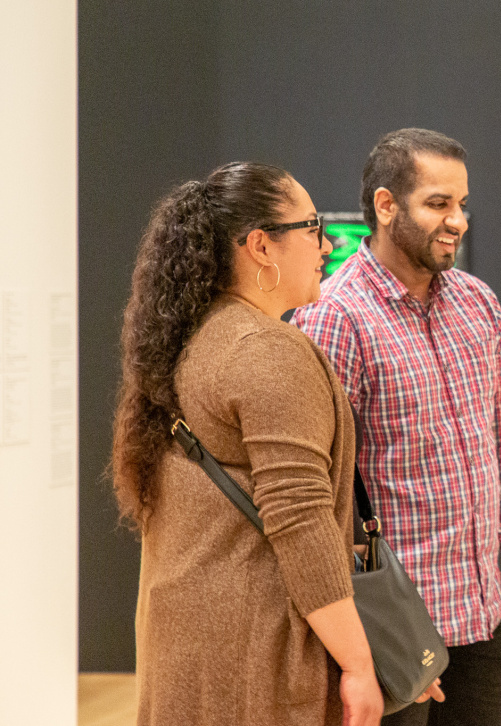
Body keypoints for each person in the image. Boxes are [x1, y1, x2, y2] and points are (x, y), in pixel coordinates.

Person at [112, 161, 439, 725]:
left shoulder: (193, 338)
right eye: (313, 227)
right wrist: (360, 665)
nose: (329, 242)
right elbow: (302, 520)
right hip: (258, 653)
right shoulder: (268, 350)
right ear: (262, 246)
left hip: (192, 642)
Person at [293, 128, 501, 726]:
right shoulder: (334, 317)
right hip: (392, 632)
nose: (458, 220)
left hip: (479, 622)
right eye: (438, 204)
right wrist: (359, 651)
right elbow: (315, 500)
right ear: (385, 207)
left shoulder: (479, 304)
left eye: (462, 204)